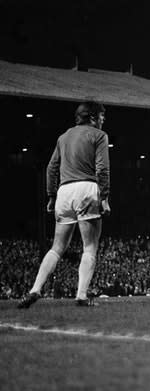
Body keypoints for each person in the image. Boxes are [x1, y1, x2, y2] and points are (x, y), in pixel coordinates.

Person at [18, 101, 111, 308]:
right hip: (87, 188)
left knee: (57, 247)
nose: (104, 120)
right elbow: (102, 169)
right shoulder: (99, 136)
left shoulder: (63, 137)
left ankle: (35, 289)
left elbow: (52, 167)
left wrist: (51, 196)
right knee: (90, 247)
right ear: (92, 117)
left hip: (64, 191)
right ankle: (81, 295)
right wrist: (104, 197)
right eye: (102, 116)